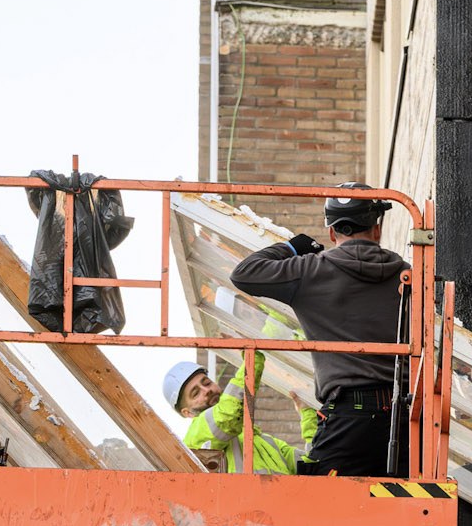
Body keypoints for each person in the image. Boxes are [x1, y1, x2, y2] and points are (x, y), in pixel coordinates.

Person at [229, 193, 408, 476]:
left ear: (331, 231)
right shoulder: (406, 274)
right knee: (410, 509)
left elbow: (244, 274)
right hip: (406, 415)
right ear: (377, 228)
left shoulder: (310, 270)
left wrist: (292, 247)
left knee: (320, 504)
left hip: (350, 414)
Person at [163, 349, 317, 473]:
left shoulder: (266, 442)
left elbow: (312, 467)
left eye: (207, 383)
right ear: (187, 413)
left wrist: (308, 414)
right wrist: (252, 357)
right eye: (195, 393)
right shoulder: (195, 439)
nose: (206, 391)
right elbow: (229, 413)